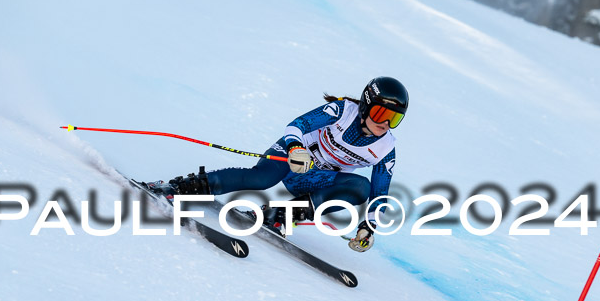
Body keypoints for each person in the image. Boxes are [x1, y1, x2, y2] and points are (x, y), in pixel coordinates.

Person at [144, 76, 408, 253]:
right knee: (261, 178)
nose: (384, 123)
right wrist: (295, 148)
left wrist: (369, 226)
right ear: (365, 106)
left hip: (313, 179)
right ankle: (184, 187)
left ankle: (279, 215)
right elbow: (297, 125)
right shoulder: (342, 111)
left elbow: (379, 196)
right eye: (380, 113)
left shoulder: (385, 148)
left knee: (360, 187)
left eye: (393, 119)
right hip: (292, 158)